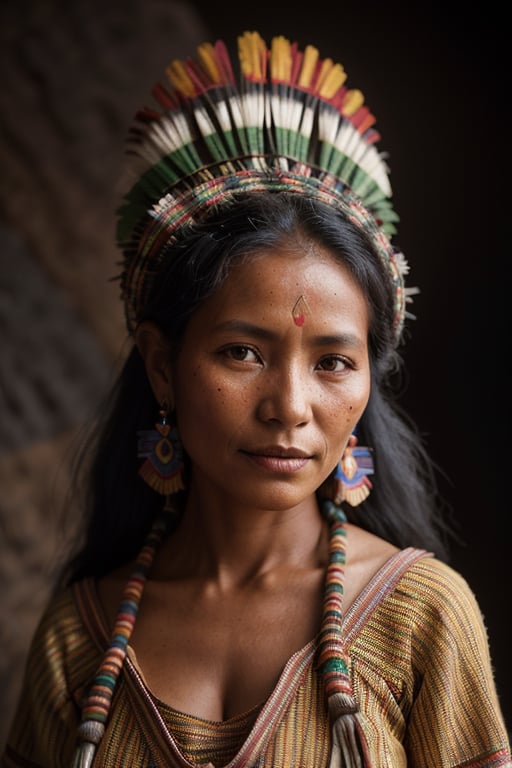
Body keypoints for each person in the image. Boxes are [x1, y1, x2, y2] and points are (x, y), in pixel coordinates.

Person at [1, 29, 510, 768]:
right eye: (242, 353)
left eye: (333, 361)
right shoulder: (80, 639)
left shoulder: (421, 618)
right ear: (162, 364)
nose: (291, 406)